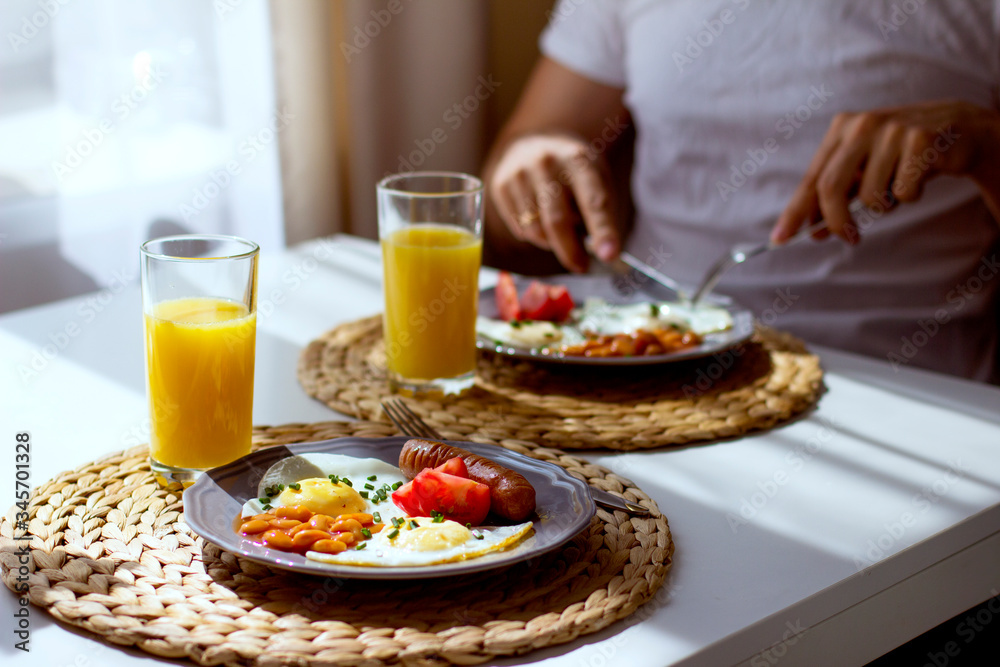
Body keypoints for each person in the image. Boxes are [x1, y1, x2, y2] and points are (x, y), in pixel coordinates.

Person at [482, 0, 1000, 382]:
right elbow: (515, 168)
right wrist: (529, 165)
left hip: (911, 388)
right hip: (647, 363)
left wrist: (985, 145)